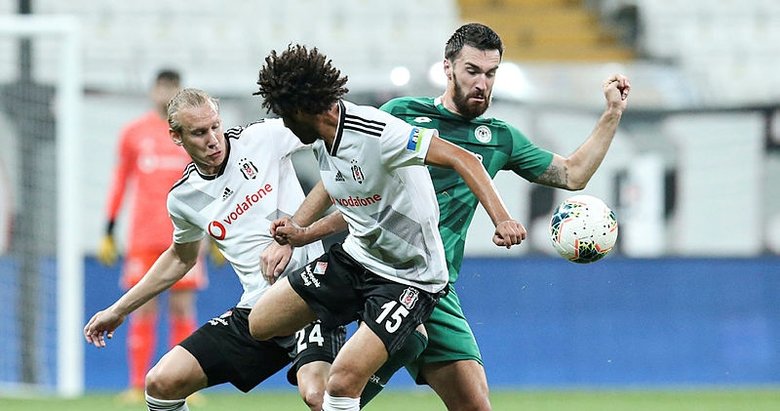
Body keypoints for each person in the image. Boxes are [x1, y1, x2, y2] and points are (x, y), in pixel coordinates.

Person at [247, 44, 525, 411]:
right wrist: (303, 234)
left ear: (300, 110)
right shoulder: (321, 141)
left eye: (285, 115)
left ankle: (388, 336)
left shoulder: (378, 131)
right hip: (356, 259)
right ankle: (354, 322)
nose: (284, 124)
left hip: (409, 278)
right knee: (261, 323)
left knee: (341, 384)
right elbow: (357, 206)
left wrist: (502, 218)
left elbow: (464, 158)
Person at [377, 23, 632, 410]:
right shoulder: (401, 114)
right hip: (382, 272)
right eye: (472, 71)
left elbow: (572, 174)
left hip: (436, 286)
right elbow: (351, 173)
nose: (482, 83)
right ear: (447, 68)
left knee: (475, 406)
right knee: (344, 386)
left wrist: (612, 113)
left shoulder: (499, 137)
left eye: (491, 73)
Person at [85, 88, 345, 411]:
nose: (212, 140)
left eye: (215, 126)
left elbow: (334, 132)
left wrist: (292, 234)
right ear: (176, 137)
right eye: (199, 133)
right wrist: (119, 309)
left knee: (317, 395)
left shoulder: (262, 138)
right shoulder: (184, 198)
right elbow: (180, 258)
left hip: (311, 295)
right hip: (258, 310)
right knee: (161, 383)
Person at [96, 69, 211, 403]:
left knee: (182, 309)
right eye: (161, 87)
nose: (165, 93)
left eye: (172, 87)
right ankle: (137, 384)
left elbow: (210, 182)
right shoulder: (134, 133)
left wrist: (217, 234)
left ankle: (184, 383)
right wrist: (109, 228)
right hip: (143, 237)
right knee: (141, 308)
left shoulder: (192, 134)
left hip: (187, 236)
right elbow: (121, 180)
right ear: (153, 91)